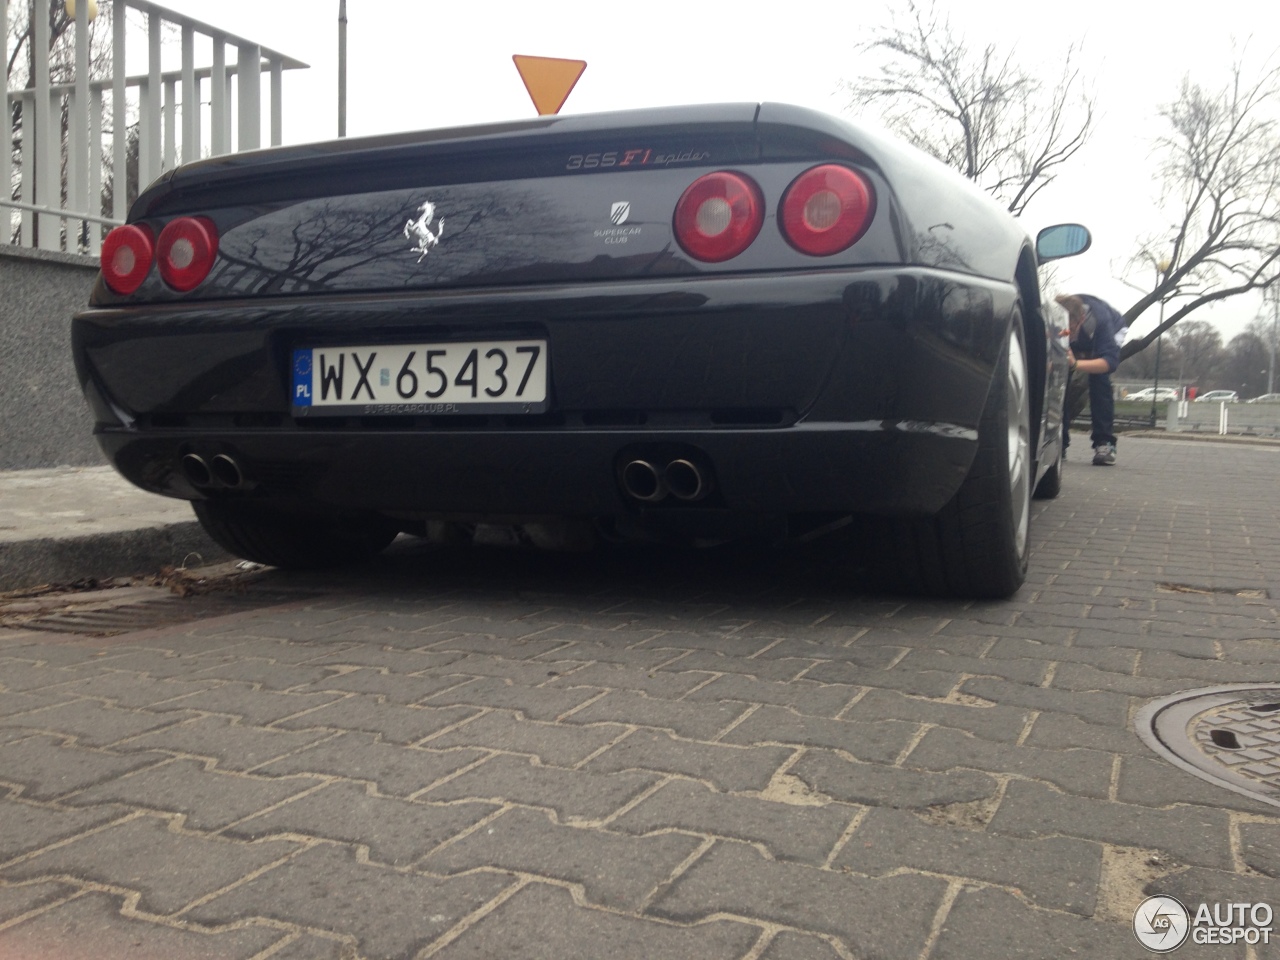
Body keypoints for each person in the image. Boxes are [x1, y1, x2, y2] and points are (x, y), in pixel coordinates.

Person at [1056, 293, 1124, 466]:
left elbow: (1109, 363)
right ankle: (1058, 441)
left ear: (1081, 320)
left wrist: (1076, 364)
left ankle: (1105, 443)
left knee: (1099, 378)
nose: (1068, 336)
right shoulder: (1055, 318)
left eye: (1071, 330)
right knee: (1057, 378)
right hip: (1081, 335)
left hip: (1108, 333)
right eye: (1065, 331)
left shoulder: (1101, 321)